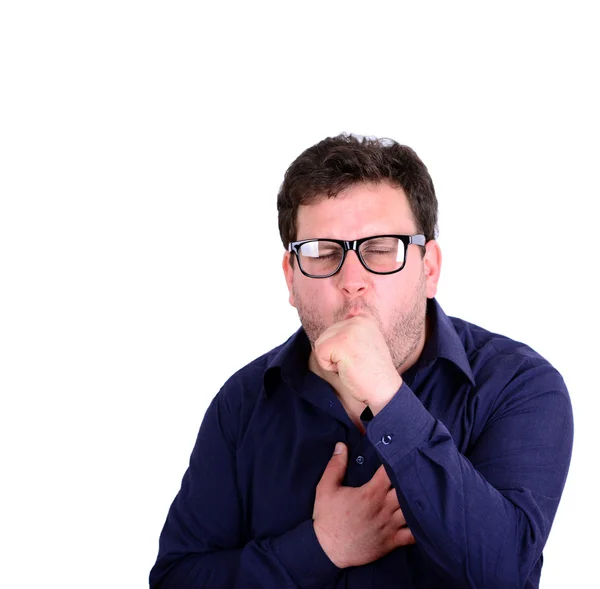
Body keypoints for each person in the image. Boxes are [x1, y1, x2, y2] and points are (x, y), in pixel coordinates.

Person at [149, 134, 573, 589]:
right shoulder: (243, 402)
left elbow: (502, 573)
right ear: (291, 278)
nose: (352, 281)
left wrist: (387, 396)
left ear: (428, 268)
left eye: (380, 249)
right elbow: (177, 579)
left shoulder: (519, 385)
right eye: (323, 253)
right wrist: (321, 547)